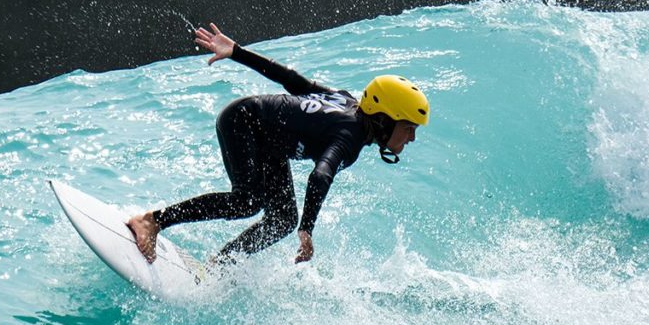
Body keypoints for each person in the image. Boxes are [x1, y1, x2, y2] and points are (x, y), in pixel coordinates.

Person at [127, 23, 430, 265]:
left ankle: (220, 265)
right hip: (244, 121)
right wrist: (308, 228)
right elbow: (321, 175)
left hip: (269, 141)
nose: (412, 137)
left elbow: (294, 81)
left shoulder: (348, 104)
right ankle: (152, 221)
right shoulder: (349, 136)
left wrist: (236, 52)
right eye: (407, 128)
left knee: (282, 219)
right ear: (383, 119)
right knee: (247, 201)